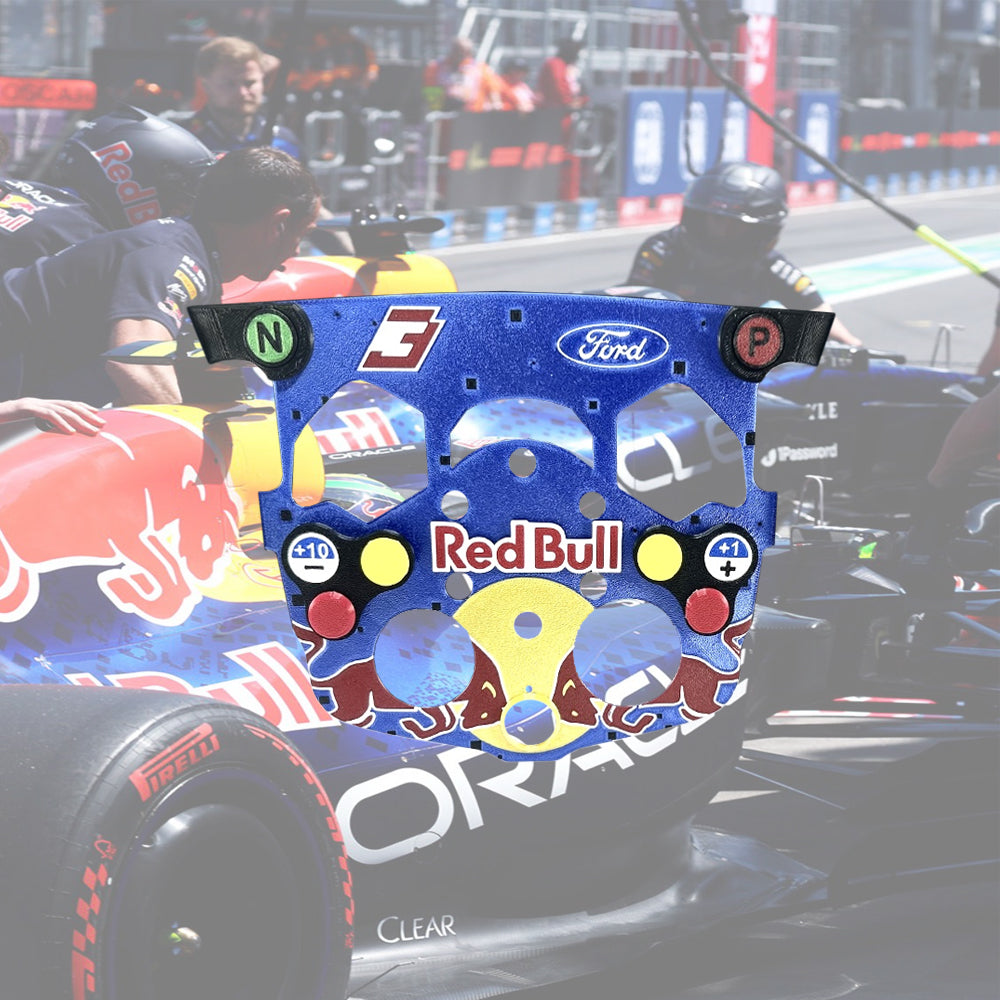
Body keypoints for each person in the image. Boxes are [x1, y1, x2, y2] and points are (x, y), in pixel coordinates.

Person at [0, 147, 320, 408]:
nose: (296, 250)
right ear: (278, 225)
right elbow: (136, 364)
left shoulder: (188, 247)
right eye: (302, 234)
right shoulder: (173, 258)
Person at [626, 161, 860, 346]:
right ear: (698, 216)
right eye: (716, 219)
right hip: (663, 357)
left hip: (736, 364)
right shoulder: (661, 250)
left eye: (735, 224)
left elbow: (818, 313)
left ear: (760, 231)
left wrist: (854, 347)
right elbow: (630, 311)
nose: (721, 231)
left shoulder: (770, 266)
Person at [183, 36, 301, 158]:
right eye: (230, 83)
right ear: (206, 86)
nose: (242, 93)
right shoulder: (186, 141)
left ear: (262, 81)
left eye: (249, 83)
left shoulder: (284, 141)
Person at [423, 37, 502, 113]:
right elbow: (432, 95)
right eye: (457, 51)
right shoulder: (436, 67)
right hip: (446, 114)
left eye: (465, 52)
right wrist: (437, 109)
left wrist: (495, 106)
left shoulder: (481, 69)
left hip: (473, 115)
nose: (460, 55)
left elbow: (494, 93)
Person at [537, 38, 586, 111]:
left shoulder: (562, 65)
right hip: (554, 110)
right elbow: (559, 85)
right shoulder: (556, 64)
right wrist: (569, 102)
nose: (577, 56)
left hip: (560, 108)